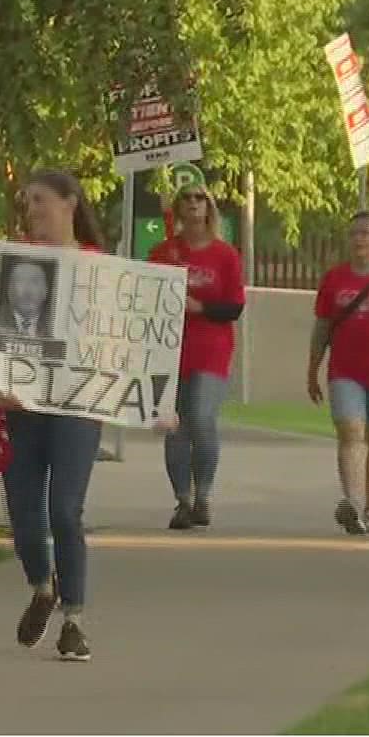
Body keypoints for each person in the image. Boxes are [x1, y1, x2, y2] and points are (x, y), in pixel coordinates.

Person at [0, 170, 111, 662]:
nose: (33, 211)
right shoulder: (13, 264)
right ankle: (42, 587)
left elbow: (126, 343)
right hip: (21, 408)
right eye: (27, 203)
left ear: (70, 203)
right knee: (24, 512)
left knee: (65, 509)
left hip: (76, 407)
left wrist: (151, 399)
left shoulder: (99, 267)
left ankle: (74, 619)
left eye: (41, 201)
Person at [148, 183, 246, 530]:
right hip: (169, 350)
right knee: (175, 426)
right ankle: (182, 501)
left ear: (209, 207)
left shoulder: (224, 255)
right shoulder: (163, 252)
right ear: (176, 208)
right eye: (186, 198)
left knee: (202, 417)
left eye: (198, 198)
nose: (192, 203)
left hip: (211, 350)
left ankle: (203, 493)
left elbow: (234, 306)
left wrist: (199, 307)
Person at [307, 210, 369, 536]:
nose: (359, 239)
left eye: (365, 233)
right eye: (354, 234)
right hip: (345, 368)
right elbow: (322, 326)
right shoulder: (335, 279)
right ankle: (352, 502)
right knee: (350, 430)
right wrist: (313, 367)